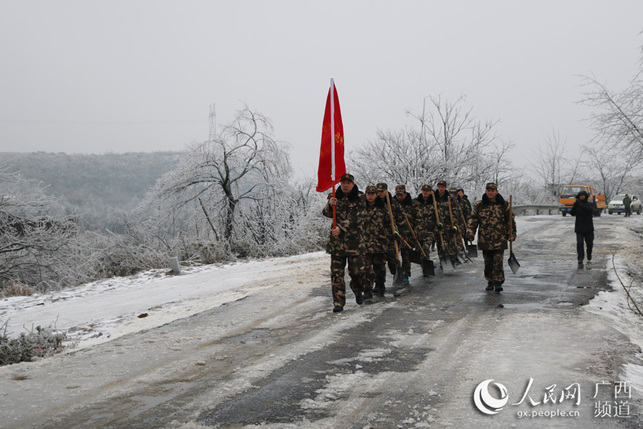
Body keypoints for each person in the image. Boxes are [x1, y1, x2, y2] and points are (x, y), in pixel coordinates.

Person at [322, 173, 366, 312]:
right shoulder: (334, 196)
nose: (345, 185)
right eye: (343, 183)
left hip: (355, 243)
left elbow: (358, 216)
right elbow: (326, 213)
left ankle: (358, 290)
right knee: (336, 274)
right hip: (337, 243)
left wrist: (341, 227)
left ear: (352, 184)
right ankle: (338, 302)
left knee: (357, 272)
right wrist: (330, 205)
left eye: (348, 183)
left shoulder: (360, 198)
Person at [467, 182, 516, 293]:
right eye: (488, 190)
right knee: (488, 262)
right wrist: (470, 233)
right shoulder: (479, 205)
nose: (490, 192)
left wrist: (512, 233)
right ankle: (490, 281)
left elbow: (510, 221)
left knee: (497, 261)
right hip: (485, 239)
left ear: (496, 191)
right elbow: (473, 220)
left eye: (492, 190)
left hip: (499, 238)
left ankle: (498, 282)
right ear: (486, 191)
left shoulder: (504, 205)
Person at [359, 185, 395, 298]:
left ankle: (380, 285)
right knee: (366, 268)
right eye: (368, 194)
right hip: (365, 243)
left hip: (380, 242)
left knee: (379, 267)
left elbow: (391, 223)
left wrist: (395, 233)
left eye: (372, 194)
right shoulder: (360, 207)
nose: (370, 196)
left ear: (376, 195)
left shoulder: (383, 207)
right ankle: (367, 290)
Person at [393, 184, 420, 284]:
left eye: (401, 195)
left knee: (406, 255)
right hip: (396, 234)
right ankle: (396, 273)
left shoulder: (412, 204)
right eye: (397, 195)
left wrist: (416, 233)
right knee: (394, 255)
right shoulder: (392, 204)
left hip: (408, 234)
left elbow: (419, 220)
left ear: (405, 193)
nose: (399, 197)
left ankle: (406, 274)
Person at [434, 180, 464, 265]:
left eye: (442, 187)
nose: (441, 189)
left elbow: (455, 212)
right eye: (439, 187)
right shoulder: (433, 197)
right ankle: (442, 260)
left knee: (450, 242)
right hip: (438, 224)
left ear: (445, 188)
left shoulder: (449, 198)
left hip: (448, 223)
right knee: (440, 242)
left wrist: (454, 225)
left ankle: (451, 258)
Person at [570, 190, 596, 269]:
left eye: (583, 195)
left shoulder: (590, 204)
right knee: (580, 243)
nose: (582, 197)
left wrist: (580, 205)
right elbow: (572, 213)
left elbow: (590, 211)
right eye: (580, 196)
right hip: (579, 228)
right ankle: (580, 258)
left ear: (586, 197)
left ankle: (589, 254)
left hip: (588, 228)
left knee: (589, 243)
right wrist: (575, 206)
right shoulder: (576, 204)